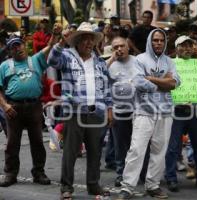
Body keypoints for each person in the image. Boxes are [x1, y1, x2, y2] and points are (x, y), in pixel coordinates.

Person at [47, 22, 113, 199]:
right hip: (74, 112)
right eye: (84, 39)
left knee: (95, 151)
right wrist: (62, 41)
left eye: (91, 39)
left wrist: (109, 109)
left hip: (95, 113)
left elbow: (106, 87)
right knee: (70, 152)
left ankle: (93, 185)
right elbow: (52, 60)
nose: (88, 43)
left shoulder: (99, 62)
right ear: (76, 41)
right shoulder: (67, 55)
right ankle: (66, 188)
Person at [117, 29, 180, 200]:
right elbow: (138, 82)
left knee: (159, 150)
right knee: (136, 150)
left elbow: (175, 83)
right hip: (144, 111)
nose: (158, 43)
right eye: (155, 40)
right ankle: (128, 187)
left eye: (161, 40)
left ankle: (153, 185)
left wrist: (151, 79)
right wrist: (162, 83)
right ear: (149, 42)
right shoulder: (140, 59)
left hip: (165, 112)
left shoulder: (169, 61)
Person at [0, 24, 62, 187]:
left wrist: (55, 34)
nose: (17, 48)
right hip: (13, 108)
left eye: (19, 44)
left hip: (34, 106)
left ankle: (39, 172)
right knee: (12, 143)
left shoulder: (36, 60)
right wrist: (5, 105)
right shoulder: (4, 66)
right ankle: (10, 174)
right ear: (9, 51)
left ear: (24, 45)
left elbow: (50, 46)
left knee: (37, 141)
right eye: (13, 47)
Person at [165, 35, 197, 192]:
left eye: (189, 45)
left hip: (196, 111)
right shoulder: (169, 65)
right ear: (176, 48)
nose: (186, 48)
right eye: (183, 46)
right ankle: (171, 178)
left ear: (194, 48)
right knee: (172, 146)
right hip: (176, 111)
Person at [108, 36, 139, 187]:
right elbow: (103, 86)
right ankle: (121, 173)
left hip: (138, 111)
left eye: (122, 46)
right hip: (118, 112)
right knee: (120, 147)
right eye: (115, 47)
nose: (119, 49)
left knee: (137, 145)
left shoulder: (138, 62)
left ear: (128, 47)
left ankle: (139, 173)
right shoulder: (109, 65)